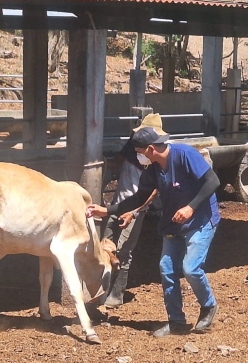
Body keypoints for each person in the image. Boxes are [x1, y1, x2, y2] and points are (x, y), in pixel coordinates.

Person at [87, 127, 221, 337]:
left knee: (191, 268)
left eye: (139, 152)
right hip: (173, 224)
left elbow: (212, 181)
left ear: (150, 149)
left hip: (200, 219)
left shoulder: (186, 155)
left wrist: (190, 207)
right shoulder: (152, 171)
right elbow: (138, 199)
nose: (138, 157)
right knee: (167, 269)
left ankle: (208, 305)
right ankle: (176, 321)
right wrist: (107, 210)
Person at [100, 114, 162, 308]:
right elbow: (119, 161)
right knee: (106, 246)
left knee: (124, 250)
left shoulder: (158, 157)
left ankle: (116, 294)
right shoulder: (134, 145)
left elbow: (154, 190)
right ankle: (101, 290)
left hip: (135, 207)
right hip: (119, 203)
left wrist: (137, 210)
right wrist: (102, 163)